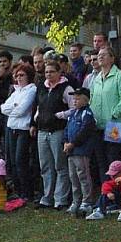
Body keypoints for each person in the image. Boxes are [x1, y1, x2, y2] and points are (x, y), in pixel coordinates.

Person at [32, 61, 74, 210]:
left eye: (52, 72)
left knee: (60, 165)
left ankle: (60, 198)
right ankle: (47, 197)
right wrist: (36, 119)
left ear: (59, 73)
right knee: (45, 166)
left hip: (58, 131)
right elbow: (38, 105)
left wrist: (60, 115)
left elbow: (74, 108)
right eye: (47, 72)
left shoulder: (66, 88)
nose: (49, 74)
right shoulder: (42, 87)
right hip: (42, 131)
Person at [89, 46, 121, 187]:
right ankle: (105, 191)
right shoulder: (96, 79)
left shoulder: (120, 76)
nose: (100, 57)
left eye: (104, 55)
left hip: (114, 125)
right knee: (101, 160)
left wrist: (115, 113)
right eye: (99, 55)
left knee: (113, 160)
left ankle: (117, 191)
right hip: (97, 125)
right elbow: (91, 98)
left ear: (112, 58)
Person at [1, 63, 37, 201]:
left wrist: (13, 109)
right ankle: (18, 190)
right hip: (11, 127)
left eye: (22, 75)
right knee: (11, 161)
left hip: (23, 129)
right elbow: (3, 108)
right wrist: (13, 108)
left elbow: (22, 110)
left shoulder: (31, 90)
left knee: (20, 160)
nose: (19, 78)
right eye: (17, 75)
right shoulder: (16, 91)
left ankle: (26, 192)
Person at [62, 87, 97, 216]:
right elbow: (66, 130)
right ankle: (76, 201)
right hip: (71, 151)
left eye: (78, 98)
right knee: (73, 177)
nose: (75, 101)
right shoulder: (73, 114)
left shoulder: (86, 114)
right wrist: (65, 142)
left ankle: (87, 201)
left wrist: (73, 143)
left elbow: (84, 131)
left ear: (86, 100)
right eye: (74, 98)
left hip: (81, 151)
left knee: (83, 176)